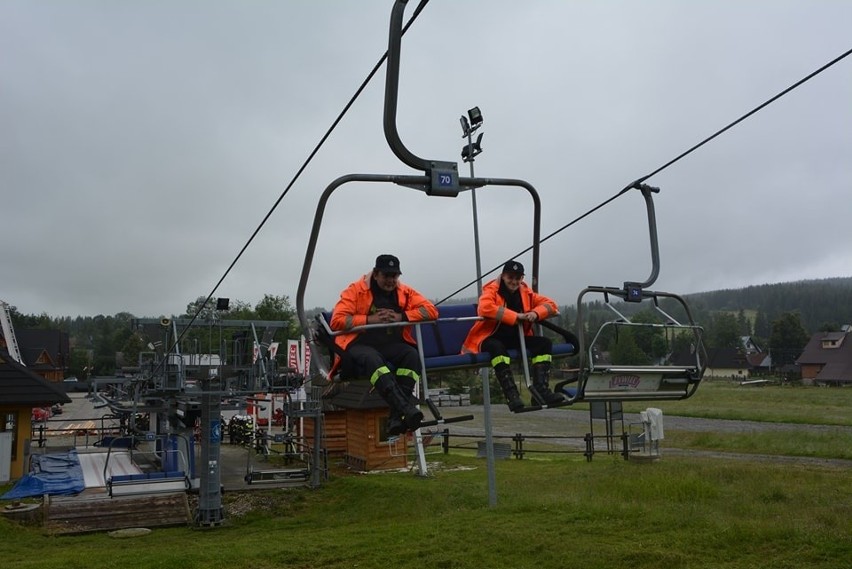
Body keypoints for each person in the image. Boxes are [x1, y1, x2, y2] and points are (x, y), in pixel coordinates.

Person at [330, 254, 438, 435]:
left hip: (390, 344)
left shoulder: (405, 292)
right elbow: (337, 321)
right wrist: (370, 320)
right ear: (376, 274)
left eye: (394, 276)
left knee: (411, 356)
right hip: (358, 343)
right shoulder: (355, 291)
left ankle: (396, 417)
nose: (390, 280)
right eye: (386, 276)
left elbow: (431, 311)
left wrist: (401, 317)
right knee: (373, 360)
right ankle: (406, 408)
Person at [461, 260, 563, 410]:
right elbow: (485, 308)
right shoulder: (491, 291)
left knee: (544, 344)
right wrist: (515, 317)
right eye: (510, 277)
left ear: (522, 279)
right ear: (503, 276)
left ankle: (541, 391)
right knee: (497, 349)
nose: (514, 282)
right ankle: (512, 395)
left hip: (516, 337)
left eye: (518, 278)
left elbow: (551, 305)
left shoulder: (526, 293)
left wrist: (536, 313)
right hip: (489, 337)